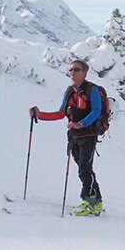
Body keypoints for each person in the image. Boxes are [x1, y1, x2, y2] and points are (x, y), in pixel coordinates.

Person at [29, 59, 104, 216]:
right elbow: (60, 113)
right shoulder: (70, 91)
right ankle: (96, 201)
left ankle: (89, 202)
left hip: (88, 135)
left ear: (85, 72)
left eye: (76, 70)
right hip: (74, 136)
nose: (72, 73)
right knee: (84, 168)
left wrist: (81, 123)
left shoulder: (92, 90)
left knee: (84, 168)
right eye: (71, 70)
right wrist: (39, 115)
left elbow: (97, 111)